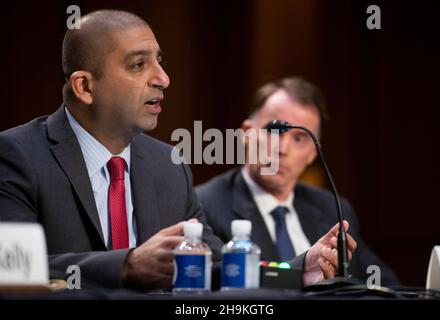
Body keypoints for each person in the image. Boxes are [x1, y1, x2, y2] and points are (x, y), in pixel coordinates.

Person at [0, 11, 355, 291]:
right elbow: (12, 271)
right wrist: (127, 265)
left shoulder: (168, 166)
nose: (162, 78)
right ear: (85, 86)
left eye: (160, 62)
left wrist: (298, 269)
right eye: (139, 65)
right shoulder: (17, 155)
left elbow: (218, 265)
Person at [196, 77, 399, 286]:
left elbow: (384, 285)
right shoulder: (203, 206)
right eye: (274, 131)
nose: (282, 149)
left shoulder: (334, 210)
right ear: (247, 133)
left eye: (299, 138)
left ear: (312, 153)